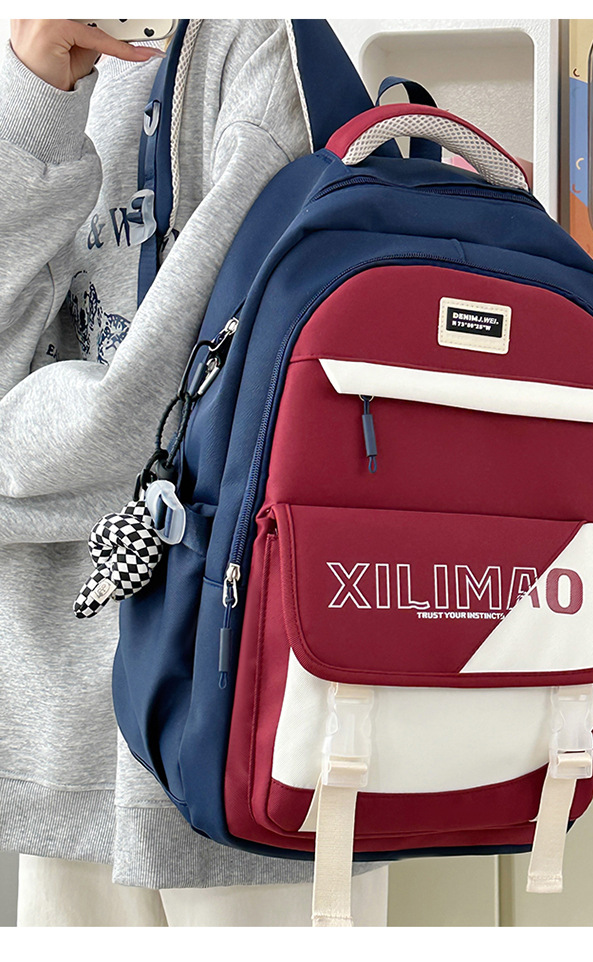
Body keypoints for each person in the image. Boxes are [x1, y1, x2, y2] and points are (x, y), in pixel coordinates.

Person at [0, 19, 388, 927]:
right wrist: (35, 105)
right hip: (66, 727)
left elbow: (214, 428)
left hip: (239, 730)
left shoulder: (266, 55)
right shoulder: (41, 74)